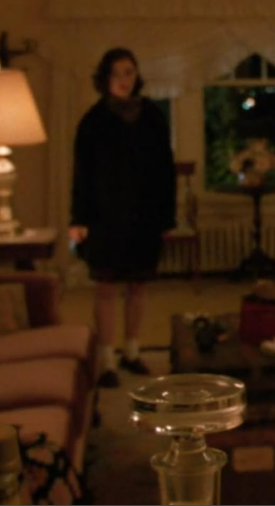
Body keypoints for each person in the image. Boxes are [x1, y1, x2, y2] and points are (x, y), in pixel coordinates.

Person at [70, 47, 176, 387]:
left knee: (138, 287)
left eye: (129, 72)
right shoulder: (93, 121)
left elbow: (166, 171)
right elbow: (82, 175)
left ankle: (132, 350)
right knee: (105, 289)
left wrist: (166, 218)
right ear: (105, 78)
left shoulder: (153, 117)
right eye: (116, 73)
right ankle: (107, 360)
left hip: (145, 216)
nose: (123, 80)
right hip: (105, 217)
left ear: (137, 75)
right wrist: (78, 219)